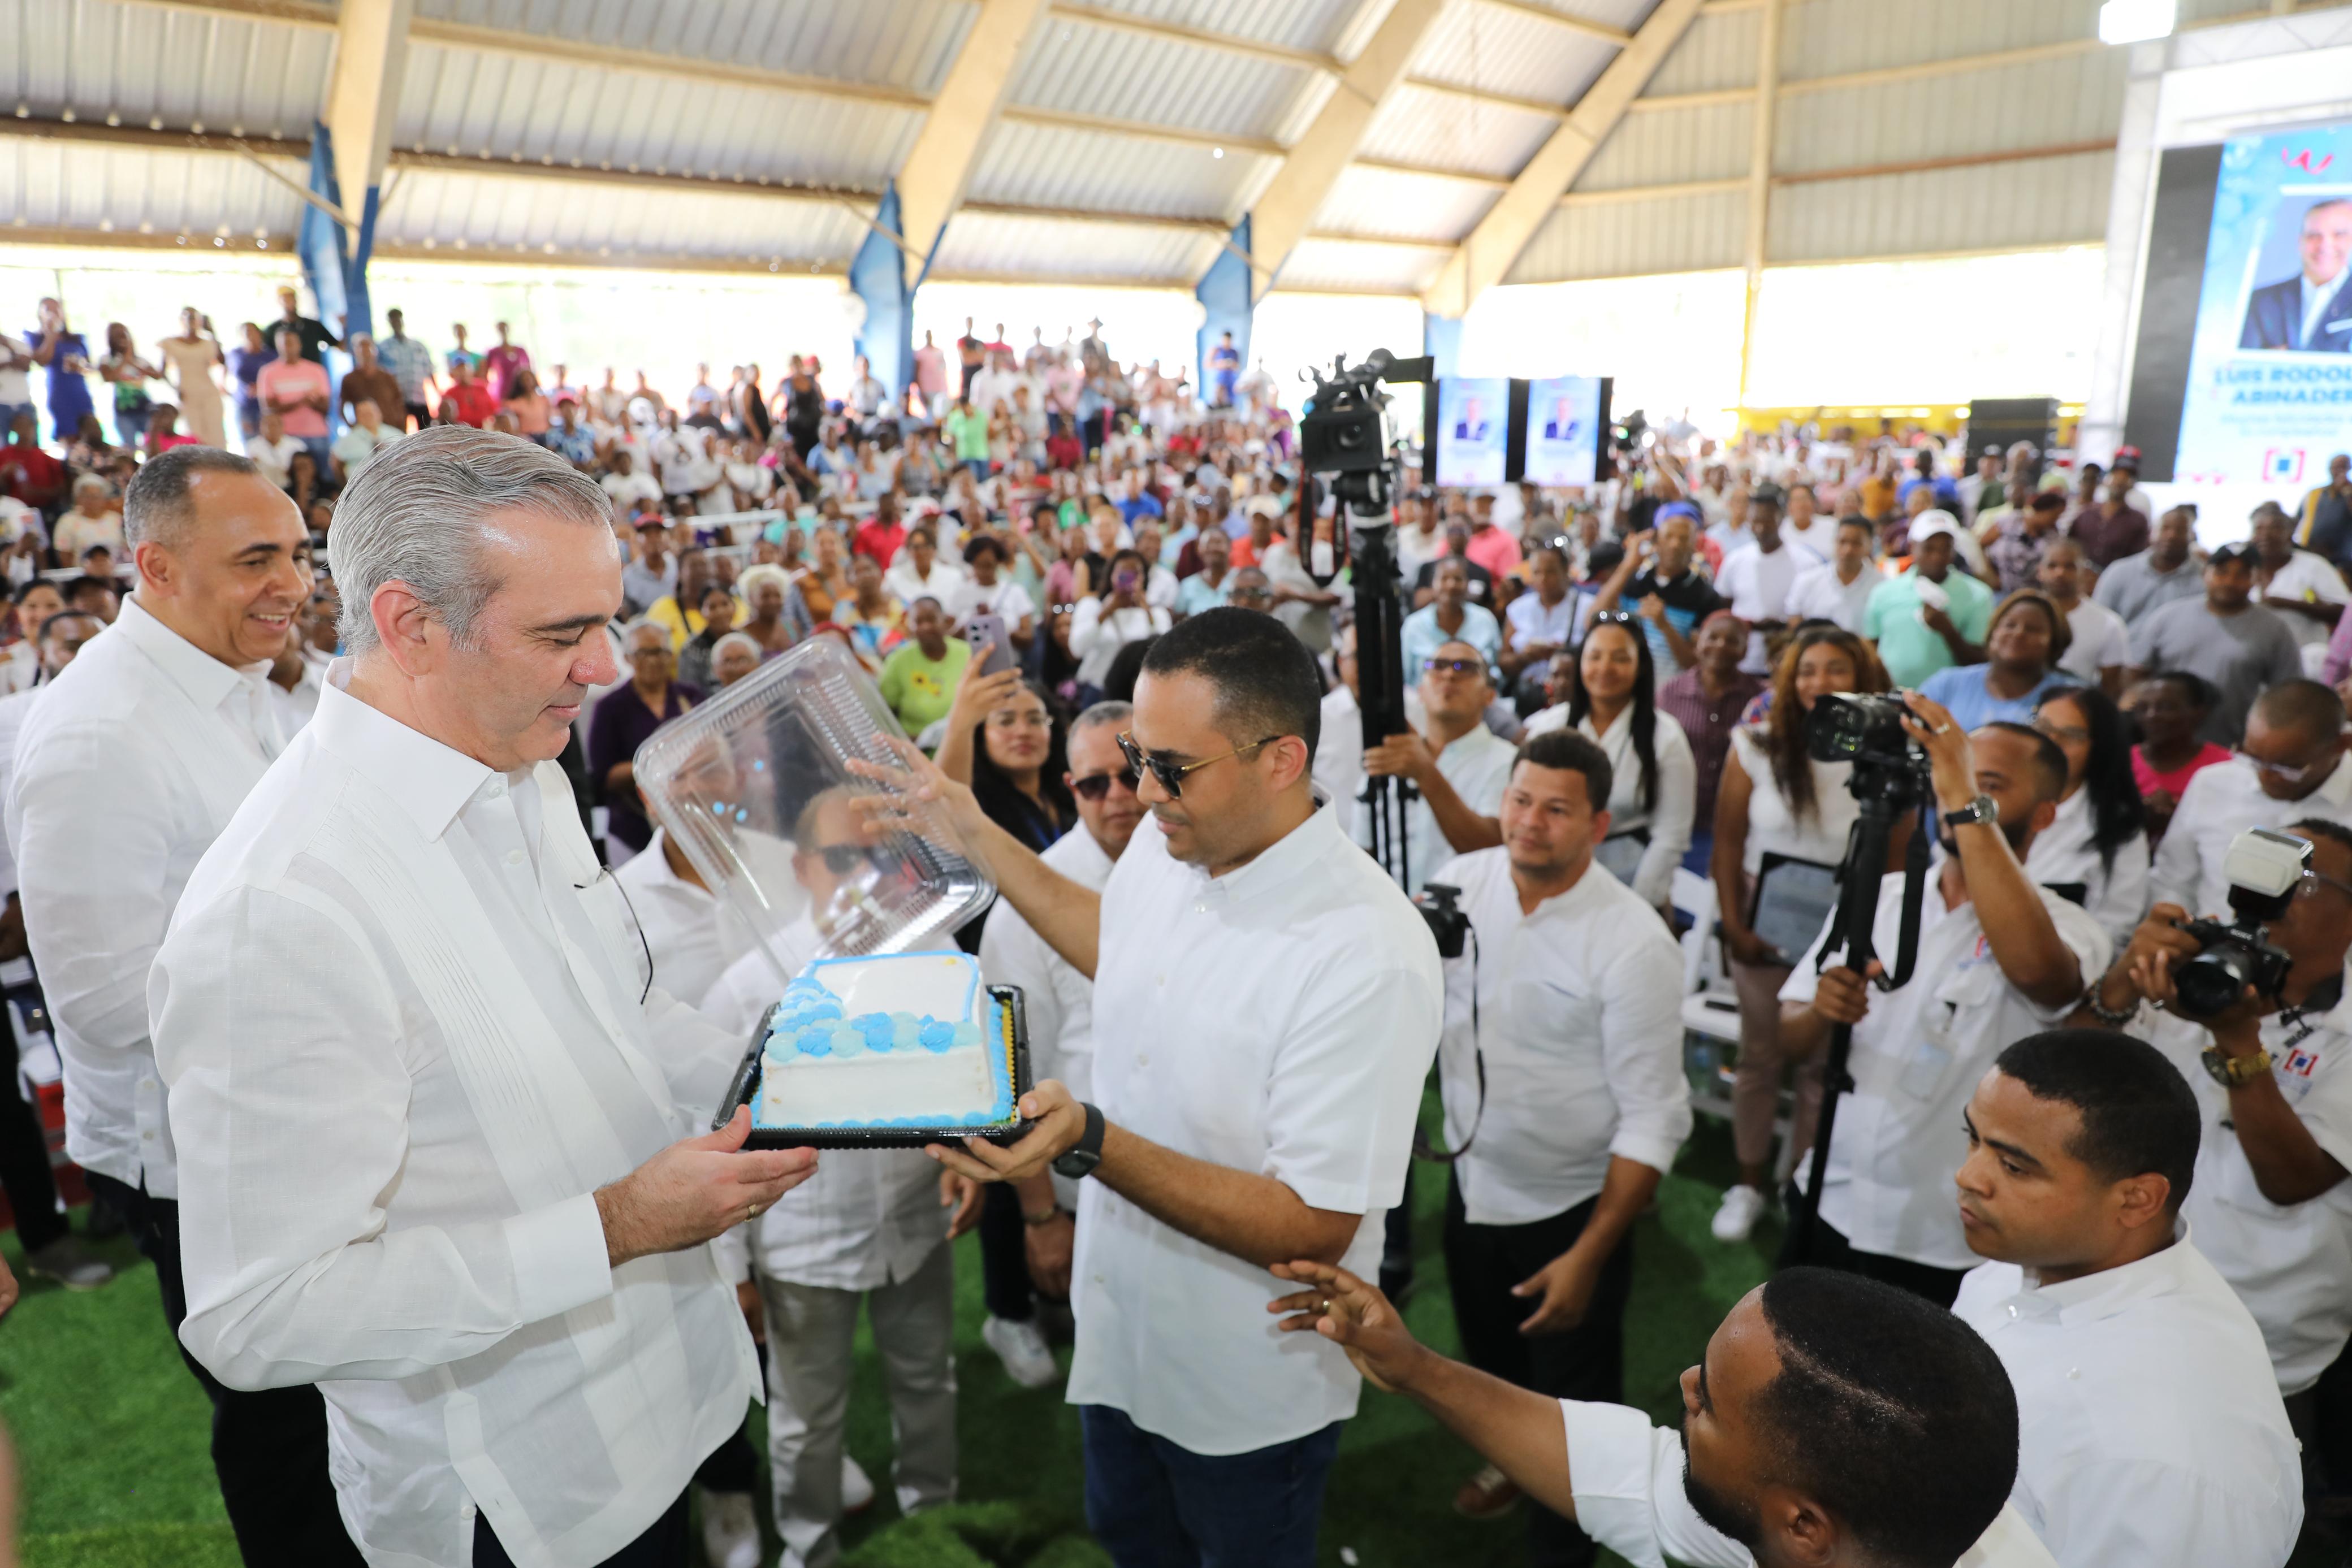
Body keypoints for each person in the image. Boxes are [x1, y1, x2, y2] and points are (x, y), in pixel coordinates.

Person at [149, 427, 818, 1568]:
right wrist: (611, 1229)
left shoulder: (520, 757)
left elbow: (617, 1003)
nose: (606, 667)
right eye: (565, 633)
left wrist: (820, 1072)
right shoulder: (283, 905)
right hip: (524, 1498)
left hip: (673, 1404)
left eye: (605, 621)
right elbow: (256, 1314)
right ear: (411, 625)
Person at [907, 608, 1442, 1568]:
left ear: (1282, 759)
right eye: (1132, 753)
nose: (1141, 792)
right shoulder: (1177, 836)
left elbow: (1313, 1221)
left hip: (1243, 1376)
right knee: (1131, 1540)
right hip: (1122, 1322)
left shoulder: (1369, 949)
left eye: (1171, 766)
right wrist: (973, 828)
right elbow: (1122, 947)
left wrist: (1093, 1140)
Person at [5, 446, 358, 1561]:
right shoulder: (96, 732)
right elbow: (107, 1004)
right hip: (202, 1157)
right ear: (151, 566)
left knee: (349, 1413)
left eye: (298, 556)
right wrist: (341, 979)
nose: (292, 586)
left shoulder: (242, 681)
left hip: (297, 1116)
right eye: (257, 559)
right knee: (283, 1432)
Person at [1265, 1262, 2051, 1568]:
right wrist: (1415, 1366)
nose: (1683, 1386)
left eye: (1708, 1403)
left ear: (1804, 1525)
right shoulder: (1872, 1523)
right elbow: (1626, 1473)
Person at [1426, 729, 1691, 1562]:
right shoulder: (1455, 887)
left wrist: (1587, 1254)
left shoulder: (1632, 940)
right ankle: (1510, 1459)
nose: (1529, 821)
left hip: (1571, 1210)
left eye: (1556, 808)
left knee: (1579, 1418)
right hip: (1472, 1191)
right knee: (1493, 1367)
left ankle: (1564, 1541)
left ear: (1599, 824)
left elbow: (1656, 1116)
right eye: (1518, 798)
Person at [695, 789, 974, 1568]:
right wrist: (734, 1269)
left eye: (888, 854)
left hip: (915, 1226)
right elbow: (715, 1139)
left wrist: (969, 1163)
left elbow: (965, 1084)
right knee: (806, 1421)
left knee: (929, 1387)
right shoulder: (754, 984)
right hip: (802, 1246)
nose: (871, 875)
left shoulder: (935, 956)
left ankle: (936, 1522)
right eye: (848, 856)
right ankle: (808, 1548)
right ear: (802, 868)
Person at [1776, 705, 2109, 1305]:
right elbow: (1787, 1040)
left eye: (1991, 784)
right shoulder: (1882, 894)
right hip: (1827, 1195)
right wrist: (1822, 1010)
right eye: (1952, 775)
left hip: (1945, 1238)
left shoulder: (2067, 927)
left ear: (2042, 815)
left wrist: (1959, 789)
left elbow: (2040, 976)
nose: (1957, 792)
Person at [1948, 1032, 2303, 1565]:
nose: (1968, 1176)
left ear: (2137, 1199)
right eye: (1973, 1139)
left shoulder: (2168, 1461)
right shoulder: (2037, 1257)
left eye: (2015, 1167)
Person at [2087, 824, 2352, 1406]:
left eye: (2303, 881)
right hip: (2115, 1311)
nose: (2277, 892)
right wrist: (2121, 982)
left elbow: (2292, 1178)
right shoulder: (2191, 970)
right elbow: (2065, 1077)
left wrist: (2235, 1037)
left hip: (2255, 1346)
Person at [977, 702, 1147, 1388]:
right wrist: (1041, 1214)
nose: (1116, 796)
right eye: (1092, 783)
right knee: (1113, 1382)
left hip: (1193, 1168)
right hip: (1087, 1181)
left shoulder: (1205, 871)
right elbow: (1011, 1072)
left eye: (1131, 773)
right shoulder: (1029, 901)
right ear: (1067, 786)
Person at [1707, 626, 1890, 1244]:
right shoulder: (1755, 743)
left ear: (1859, 678)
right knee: (1759, 1055)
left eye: (1835, 668)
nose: (1819, 682)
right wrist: (1733, 923)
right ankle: (1747, 1182)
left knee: (1819, 1064)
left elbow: (1893, 862)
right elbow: (1727, 839)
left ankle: (1798, 1183)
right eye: (1806, 669)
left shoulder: (1879, 756)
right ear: (1789, 678)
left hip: (1843, 925)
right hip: (1764, 922)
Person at [1525, 613, 1695, 912]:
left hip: (1633, 885)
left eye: (1620, 658)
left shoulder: (1666, 737)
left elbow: (1671, 835)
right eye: (1595, 657)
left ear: (1641, 666)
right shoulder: (1548, 727)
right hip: (1549, 879)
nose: (1605, 668)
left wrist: (1638, 906)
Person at [2153, 677, 2352, 915]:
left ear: (2341, 745)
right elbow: (2173, 880)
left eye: (2287, 768)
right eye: (2253, 758)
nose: (2266, 776)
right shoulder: (2213, 784)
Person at [1358, 639, 1516, 893]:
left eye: (1465, 667)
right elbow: (1364, 848)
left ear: (1490, 696)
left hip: (1469, 920)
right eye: (1438, 666)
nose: (1449, 674)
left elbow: (1492, 847)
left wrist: (1426, 774)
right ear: (1420, 691)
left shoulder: (1508, 761)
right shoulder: (1392, 756)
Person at [2126, 542, 2303, 745]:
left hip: (2230, 745)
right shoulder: (2166, 617)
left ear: (2257, 579)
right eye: (2222, 572)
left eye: (2242, 574)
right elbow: (2136, 676)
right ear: (2205, 574)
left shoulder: (2275, 629)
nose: (2229, 581)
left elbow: (2286, 694)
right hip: (2159, 742)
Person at [2022, 685, 2151, 948]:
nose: (2051, 743)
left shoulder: (2118, 828)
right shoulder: (1994, 798)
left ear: (2099, 747)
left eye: (2070, 735)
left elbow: (2113, 929)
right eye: (2043, 727)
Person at [1656, 610, 1766, 872]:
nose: (1721, 646)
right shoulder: (1671, 692)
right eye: (1713, 637)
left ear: (1744, 650)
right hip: (1678, 818)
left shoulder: (1757, 700)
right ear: (1698, 641)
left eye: (1732, 641)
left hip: (1733, 825)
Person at [589, 620, 699, 857]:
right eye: (643, 653)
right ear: (628, 658)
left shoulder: (691, 697)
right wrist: (658, 763)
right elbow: (604, 776)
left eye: (660, 652)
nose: (652, 660)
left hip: (692, 824)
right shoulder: (611, 708)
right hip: (632, 828)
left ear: (671, 656)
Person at [1862, 512, 1993, 690]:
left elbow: (1981, 663)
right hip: (1891, 697)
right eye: (1929, 548)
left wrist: (1948, 632)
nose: (1938, 557)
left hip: (1948, 700)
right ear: (1912, 547)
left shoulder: (1978, 595)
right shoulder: (1884, 593)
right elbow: (1871, 649)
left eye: (1945, 548)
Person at [1589, 508, 1723, 673]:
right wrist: (1628, 566)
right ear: (1656, 541)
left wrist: (1664, 626)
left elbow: (1695, 664)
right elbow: (1591, 621)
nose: (1675, 545)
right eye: (1669, 537)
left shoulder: (1706, 596)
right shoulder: (1633, 583)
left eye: (1684, 538)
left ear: (1695, 545)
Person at [1918, 590, 2078, 730]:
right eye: (2010, 625)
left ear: (2055, 642)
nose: (2018, 634)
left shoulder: (2071, 698)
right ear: (1993, 632)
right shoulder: (1946, 684)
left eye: (2033, 629)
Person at [1711, 485, 1822, 675]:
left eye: (1767, 522)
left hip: (1786, 660)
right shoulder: (1736, 560)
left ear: (1780, 520)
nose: (1760, 529)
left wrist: (1780, 625)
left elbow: (1814, 614)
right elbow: (1723, 607)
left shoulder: (1806, 562)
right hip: (1741, 661)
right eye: (1755, 522)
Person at [2126, 670, 2230, 842]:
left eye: (2166, 707)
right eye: (2143, 708)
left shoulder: (2224, 766)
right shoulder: (2121, 763)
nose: (2151, 716)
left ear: (2199, 713)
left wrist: (2179, 818)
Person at [2241, 196, 2352, 351]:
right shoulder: (2261, 301)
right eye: (2314, 235)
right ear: (2301, 242)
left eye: (2339, 235)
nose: (2325, 245)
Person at [2249, 498, 2348, 668]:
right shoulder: (2244, 569)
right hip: (2254, 660)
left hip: (2305, 660)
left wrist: (2290, 604)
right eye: (2259, 529)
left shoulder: (2313, 565)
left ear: (2290, 533)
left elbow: (2346, 613)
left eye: (2275, 528)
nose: (2266, 535)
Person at [2031, 536, 2129, 695]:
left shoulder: (2109, 624)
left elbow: (2111, 688)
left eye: (2069, 566)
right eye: (2052, 566)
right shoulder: (2020, 617)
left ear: (2084, 572)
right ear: (2040, 571)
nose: (2060, 573)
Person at [1069, 552, 1169, 696]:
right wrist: (1105, 613)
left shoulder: (1157, 613)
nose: (1130, 579)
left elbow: (1163, 650)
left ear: (1144, 577)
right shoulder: (1091, 607)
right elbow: (1077, 649)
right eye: (1123, 574)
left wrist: (1146, 610)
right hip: (1097, 689)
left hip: (1139, 692)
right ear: (1111, 575)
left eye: (1135, 574)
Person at [2093, 504, 2203, 628]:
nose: (2172, 536)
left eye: (2180, 530)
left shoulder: (2203, 577)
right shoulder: (2119, 572)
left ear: (2192, 536)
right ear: (2152, 532)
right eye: (2165, 528)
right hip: (2125, 645)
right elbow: (2099, 619)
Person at [877, 596, 971, 738]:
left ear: (946, 621)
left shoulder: (967, 653)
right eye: (918, 622)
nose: (926, 627)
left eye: (931, 620)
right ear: (909, 626)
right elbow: (885, 709)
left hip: (965, 740)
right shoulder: (898, 660)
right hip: (916, 744)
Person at [1501, 544, 1580, 707]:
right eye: (1537, 572)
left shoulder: (1584, 606)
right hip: (1528, 694)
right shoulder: (1518, 608)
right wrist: (1526, 656)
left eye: (1550, 572)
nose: (1543, 579)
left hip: (1570, 697)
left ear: (1565, 571)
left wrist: (1561, 653)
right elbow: (1503, 661)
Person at [1402, 556, 1504, 682]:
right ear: (1433, 584)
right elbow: (1406, 677)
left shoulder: (1485, 620)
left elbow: (1496, 669)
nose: (1451, 585)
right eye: (1444, 579)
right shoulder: (1414, 625)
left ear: (1467, 584)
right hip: (1425, 699)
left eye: (1458, 579)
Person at [1782, 515, 1878, 633]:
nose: (1848, 550)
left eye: (1856, 543)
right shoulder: (1807, 581)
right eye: (1842, 542)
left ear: (1870, 545)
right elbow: (1794, 623)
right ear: (1834, 541)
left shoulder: (1881, 586)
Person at [257, 324, 332, 468]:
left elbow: (326, 406)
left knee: (326, 479)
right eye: (284, 343)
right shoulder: (268, 372)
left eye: (292, 343)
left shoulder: (316, 370)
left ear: (299, 345)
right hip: (286, 437)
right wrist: (301, 401)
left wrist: (308, 403)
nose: (288, 347)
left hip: (317, 434)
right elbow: (269, 409)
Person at [24, 298, 93, 443]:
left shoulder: (77, 338)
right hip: (60, 393)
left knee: (90, 432)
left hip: (80, 392)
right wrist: (51, 334)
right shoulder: (36, 338)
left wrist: (80, 367)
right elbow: (43, 361)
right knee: (69, 437)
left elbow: (90, 367)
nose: (54, 313)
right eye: (48, 310)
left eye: (57, 309)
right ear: (40, 315)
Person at [159, 307, 226, 448]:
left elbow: (222, 361)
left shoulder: (208, 343)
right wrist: (175, 388)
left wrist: (212, 333)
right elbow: (162, 372)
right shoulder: (170, 343)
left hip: (209, 391)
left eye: (194, 318)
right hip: (187, 393)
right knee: (195, 434)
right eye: (188, 317)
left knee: (216, 432)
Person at [375, 307, 436, 430]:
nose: (396, 323)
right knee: (399, 434)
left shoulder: (418, 346)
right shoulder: (383, 348)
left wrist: (438, 393)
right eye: (393, 321)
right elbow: (380, 376)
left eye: (398, 320)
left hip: (419, 398)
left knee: (427, 433)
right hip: (397, 402)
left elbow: (430, 371)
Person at [676, 582, 740, 695]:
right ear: (701, 612)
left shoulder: (744, 641)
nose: (720, 612)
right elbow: (690, 691)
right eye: (712, 607)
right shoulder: (691, 648)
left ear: (734, 607)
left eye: (725, 604)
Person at [328, 396, 400, 484]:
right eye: (363, 414)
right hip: (360, 486)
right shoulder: (348, 440)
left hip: (393, 483)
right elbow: (335, 462)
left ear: (379, 413)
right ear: (357, 417)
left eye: (370, 413)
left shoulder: (395, 434)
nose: (368, 417)